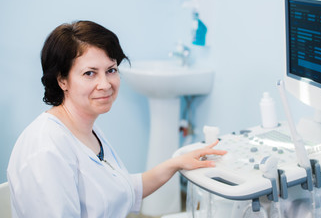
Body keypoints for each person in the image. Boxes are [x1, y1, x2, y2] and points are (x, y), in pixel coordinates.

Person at [7, 20, 226, 218]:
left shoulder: (87, 130)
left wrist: (176, 163)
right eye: (90, 73)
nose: (105, 84)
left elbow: (122, 190)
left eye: (111, 70)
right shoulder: (46, 149)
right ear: (62, 80)